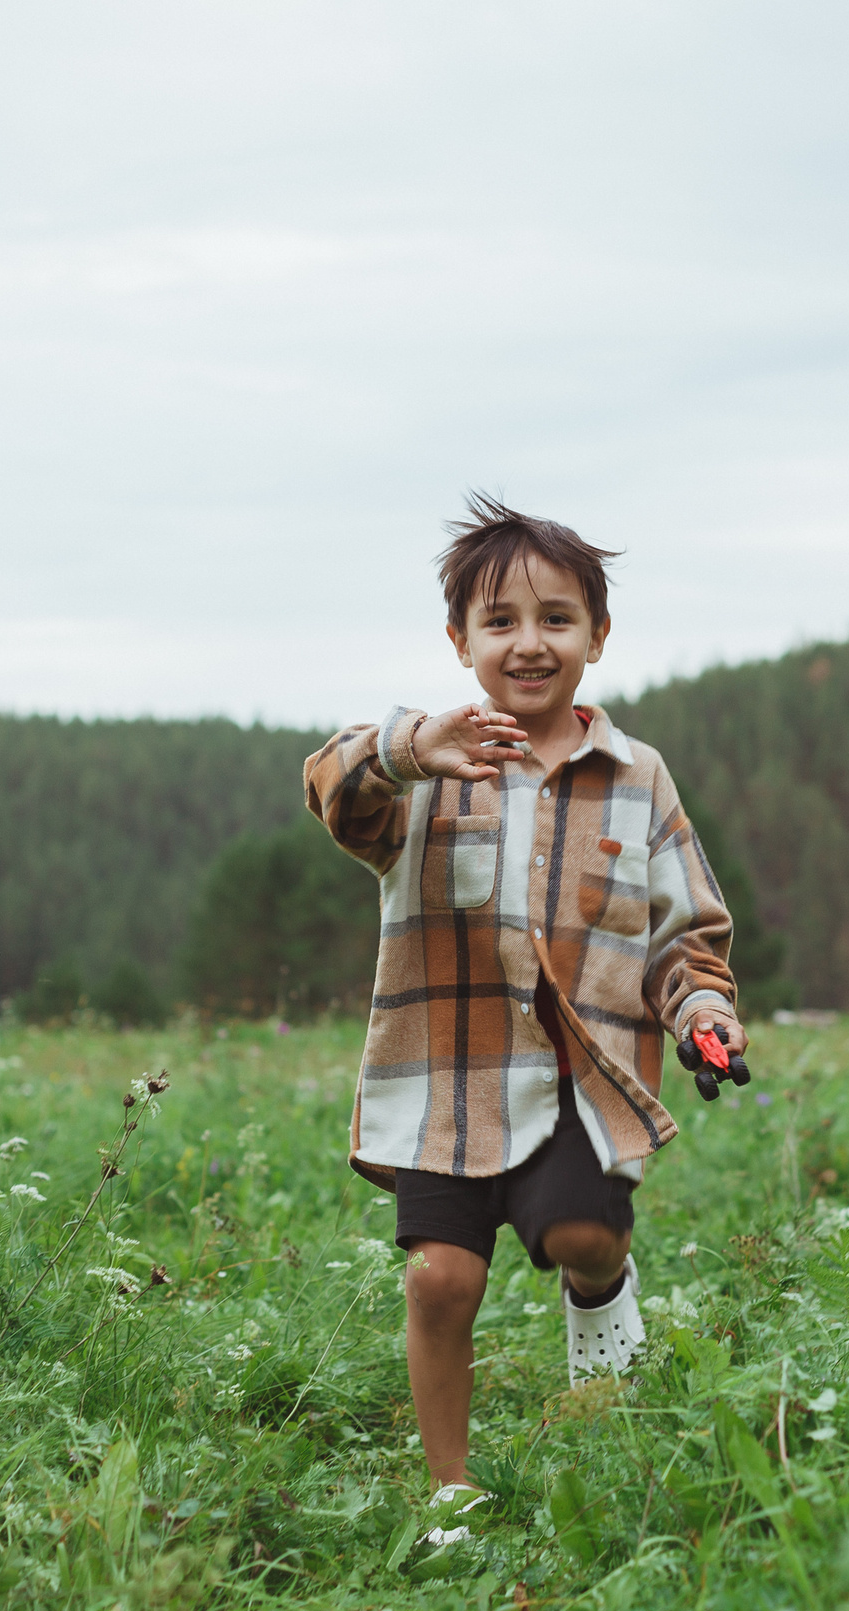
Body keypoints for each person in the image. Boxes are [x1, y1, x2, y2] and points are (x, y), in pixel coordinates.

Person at [303, 495, 743, 1543]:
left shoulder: (637, 779)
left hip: (579, 1087)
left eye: (556, 618)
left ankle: (602, 1291)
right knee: (440, 1279)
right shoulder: (424, 769)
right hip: (445, 1081)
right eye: (499, 621)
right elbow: (333, 790)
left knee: (585, 1234)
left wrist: (703, 1012)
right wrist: (410, 746)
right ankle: (451, 1493)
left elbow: (685, 930)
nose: (529, 642)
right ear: (459, 641)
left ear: (597, 635)